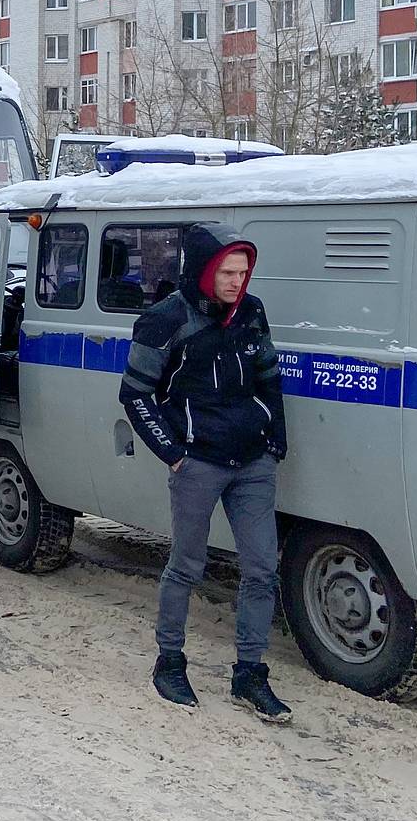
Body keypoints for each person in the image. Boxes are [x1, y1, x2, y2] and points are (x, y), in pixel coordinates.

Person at [119, 222, 292, 722]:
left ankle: (250, 675)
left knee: (262, 569)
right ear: (204, 270)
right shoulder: (164, 320)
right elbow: (135, 394)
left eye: (244, 271)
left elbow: (270, 378)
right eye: (228, 272)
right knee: (187, 565)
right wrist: (173, 453)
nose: (239, 281)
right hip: (197, 463)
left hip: (253, 461)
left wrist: (276, 439)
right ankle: (170, 661)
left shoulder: (252, 312)